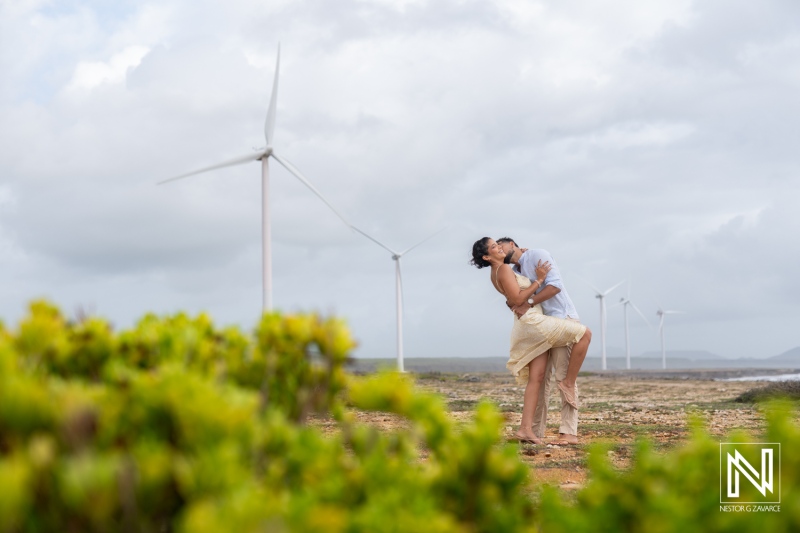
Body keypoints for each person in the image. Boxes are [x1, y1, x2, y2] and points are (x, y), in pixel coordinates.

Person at [470, 237, 592, 445]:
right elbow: (515, 299)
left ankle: (565, 432)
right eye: (494, 246)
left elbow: (554, 287)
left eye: (501, 244)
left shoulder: (535, 256)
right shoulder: (508, 270)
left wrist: (527, 297)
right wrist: (536, 282)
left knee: (550, 377)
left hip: (559, 317)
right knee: (541, 379)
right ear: (487, 256)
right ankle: (533, 430)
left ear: (513, 244)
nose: (499, 247)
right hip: (539, 324)